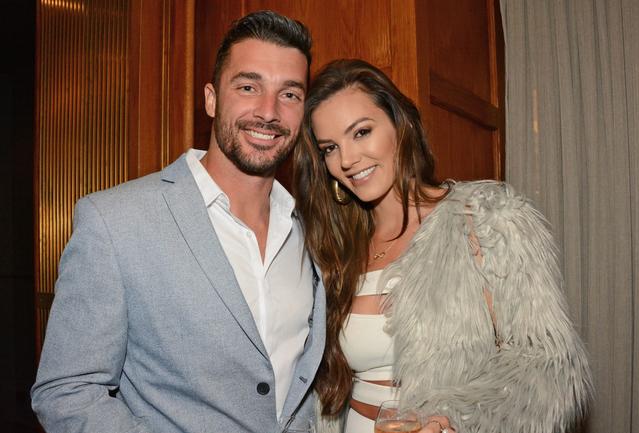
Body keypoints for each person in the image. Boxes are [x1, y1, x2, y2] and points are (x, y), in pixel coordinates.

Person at [31, 10, 325, 433]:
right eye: (248, 87)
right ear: (211, 99)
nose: (268, 112)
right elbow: (67, 390)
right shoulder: (115, 222)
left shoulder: (311, 231)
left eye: (290, 95)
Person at [293, 59, 592, 433]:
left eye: (361, 132)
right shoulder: (334, 248)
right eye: (329, 148)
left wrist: (457, 420)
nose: (347, 160)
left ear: (399, 126)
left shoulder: (487, 220)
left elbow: (551, 369)